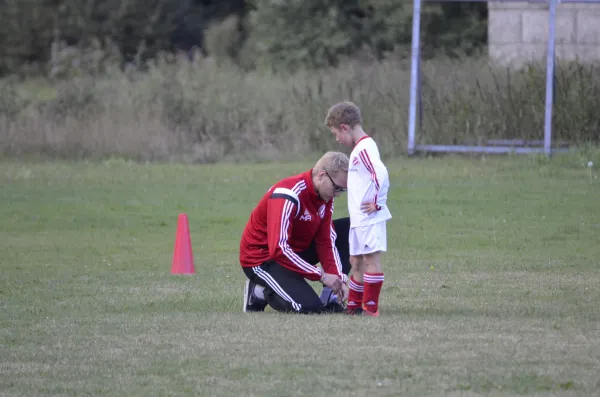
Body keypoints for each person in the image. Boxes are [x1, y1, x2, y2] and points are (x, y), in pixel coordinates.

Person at [239, 151, 352, 314]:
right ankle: (258, 292)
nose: (338, 194)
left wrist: (337, 279)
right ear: (321, 175)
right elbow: (278, 248)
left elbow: (325, 240)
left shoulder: (326, 198)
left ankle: (330, 297)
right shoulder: (287, 194)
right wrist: (321, 275)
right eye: (337, 188)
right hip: (263, 258)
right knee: (309, 308)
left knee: (350, 229)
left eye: (343, 190)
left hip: (292, 251)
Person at [325, 101, 392, 317]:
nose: (337, 139)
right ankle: (354, 306)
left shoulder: (364, 148)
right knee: (355, 261)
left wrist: (377, 202)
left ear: (345, 127)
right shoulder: (360, 149)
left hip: (369, 217)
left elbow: (380, 174)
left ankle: (370, 308)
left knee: (370, 260)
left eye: (336, 134)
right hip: (359, 220)